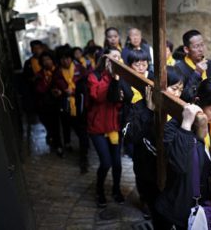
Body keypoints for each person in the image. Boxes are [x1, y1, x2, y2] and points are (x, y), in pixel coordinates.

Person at [155, 77, 211, 229]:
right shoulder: (175, 127)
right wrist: (186, 125)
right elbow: (178, 164)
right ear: (199, 101)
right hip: (183, 204)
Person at [123, 66, 184, 224]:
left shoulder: (180, 111)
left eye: (180, 89)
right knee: (156, 211)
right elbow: (130, 137)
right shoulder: (139, 107)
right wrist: (148, 111)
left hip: (171, 175)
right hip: (147, 173)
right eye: (174, 88)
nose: (177, 94)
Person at [87, 48, 125, 207]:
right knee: (106, 162)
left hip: (114, 126)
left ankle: (116, 190)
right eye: (112, 57)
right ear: (105, 60)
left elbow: (122, 101)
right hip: (97, 127)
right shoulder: (94, 76)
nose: (116, 60)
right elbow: (98, 96)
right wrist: (110, 78)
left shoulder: (122, 77)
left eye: (118, 57)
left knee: (117, 163)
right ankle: (99, 190)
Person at [53, 46, 90, 173]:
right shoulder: (57, 72)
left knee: (83, 133)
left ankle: (83, 158)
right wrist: (59, 92)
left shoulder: (80, 69)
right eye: (62, 59)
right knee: (75, 130)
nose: (65, 62)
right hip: (67, 108)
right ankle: (77, 148)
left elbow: (87, 85)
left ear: (71, 58)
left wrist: (74, 90)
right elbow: (55, 87)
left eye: (67, 58)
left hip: (81, 106)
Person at [175, 29, 211, 102]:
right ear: (186, 49)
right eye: (196, 46)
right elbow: (184, 97)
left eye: (202, 45)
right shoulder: (179, 68)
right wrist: (197, 73)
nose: (201, 49)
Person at [34, 51, 62, 150]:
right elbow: (39, 89)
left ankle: (64, 143)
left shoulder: (59, 71)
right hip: (48, 104)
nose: (46, 62)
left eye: (48, 59)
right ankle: (57, 144)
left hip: (61, 102)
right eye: (44, 60)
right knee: (53, 125)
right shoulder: (40, 75)